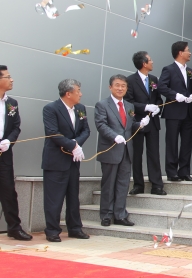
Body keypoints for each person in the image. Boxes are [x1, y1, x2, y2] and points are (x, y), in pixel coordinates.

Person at [95, 74, 149, 227]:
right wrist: (114, 136)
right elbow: (101, 125)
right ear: (110, 87)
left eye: (123, 86)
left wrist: (140, 124)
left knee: (123, 184)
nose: (120, 88)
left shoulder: (129, 106)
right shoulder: (102, 105)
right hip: (111, 149)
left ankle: (120, 214)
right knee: (108, 184)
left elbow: (129, 127)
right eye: (117, 85)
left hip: (126, 150)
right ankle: (106, 214)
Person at [42, 79, 91, 242]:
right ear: (68, 93)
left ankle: (75, 228)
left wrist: (77, 144)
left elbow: (86, 130)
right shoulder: (51, 109)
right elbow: (52, 132)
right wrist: (72, 145)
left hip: (73, 160)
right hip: (56, 160)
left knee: (73, 195)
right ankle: (52, 230)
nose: (81, 94)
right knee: (54, 197)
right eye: (78, 91)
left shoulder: (81, 109)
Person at [125, 51, 165, 196]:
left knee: (154, 153)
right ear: (143, 63)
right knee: (137, 154)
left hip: (153, 122)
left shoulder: (154, 79)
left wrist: (158, 107)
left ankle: (157, 185)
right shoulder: (130, 80)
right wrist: (145, 107)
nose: (152, 62)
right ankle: (138, 185)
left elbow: (158, 98)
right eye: (150, 60)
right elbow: (128, 102)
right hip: (138, 122)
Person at [0, 66, 32, 241]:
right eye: (8, 77)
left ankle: (14, 227)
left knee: (8, 191)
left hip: (4, 154)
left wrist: (8, 141)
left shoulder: (12, 103)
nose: (11, 80)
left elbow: (16, 127)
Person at [158, 41, 192, 182]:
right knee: (172, 142)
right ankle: (172, 172)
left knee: (187, 142)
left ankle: (184, 171)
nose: (190, 52)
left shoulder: (190, 71)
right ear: (180, 52)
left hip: (188, 111)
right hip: (173, 112)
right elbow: (161, 87)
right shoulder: (168, 69)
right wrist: (175, 95)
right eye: (187, 50)